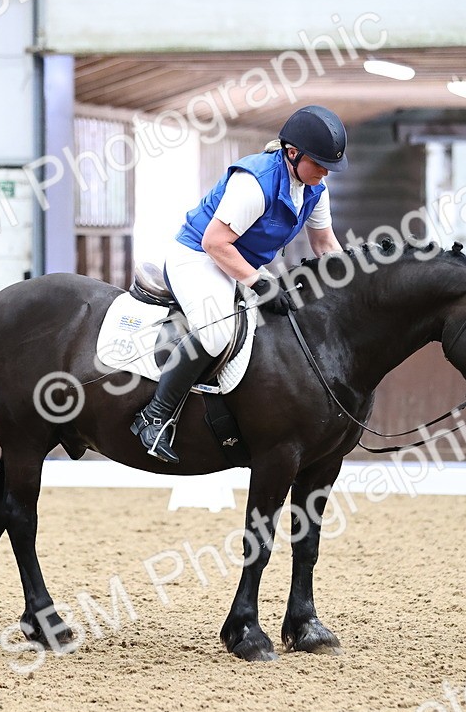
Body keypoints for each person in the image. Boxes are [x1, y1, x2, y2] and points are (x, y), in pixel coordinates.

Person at [131, 104, 349, 463]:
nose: (326, 173)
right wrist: (258, 282)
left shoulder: (315, 188)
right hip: (198, 258)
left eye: (331, 166)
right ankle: (155, 416)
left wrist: (352, 280)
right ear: (292, 153)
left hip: (237, 260)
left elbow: (325, 245)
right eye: (321, 163)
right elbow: (214, 242)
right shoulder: (255, 182)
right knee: (217, 333)